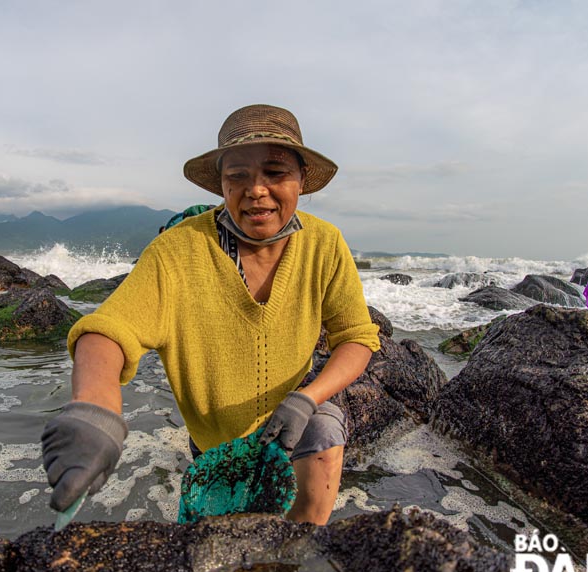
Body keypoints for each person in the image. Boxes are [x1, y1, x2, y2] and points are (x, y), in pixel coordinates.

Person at [42, 104, 381, 525]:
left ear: (301, 180)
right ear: (221, 183)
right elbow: (109, 331)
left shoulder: (325, 244)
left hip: (294, 424)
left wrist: (306, 399)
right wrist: (95, 410)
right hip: (212, 442)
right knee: (220, 547)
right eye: (237, 175)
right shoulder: (177, 251)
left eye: (275, 172)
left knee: (322, 441)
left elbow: (357, 336)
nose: (256, 190)